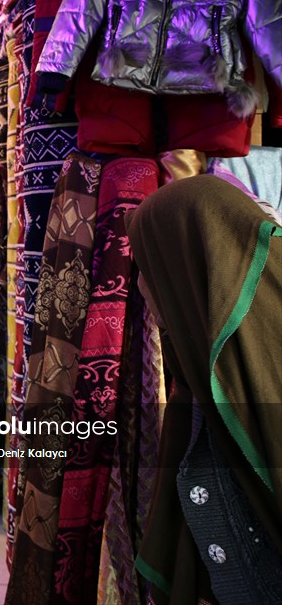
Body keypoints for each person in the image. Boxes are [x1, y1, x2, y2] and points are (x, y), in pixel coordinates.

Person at [128, 174, 282, 604]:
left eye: (151, 268)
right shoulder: (206, 377)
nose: (142, 288)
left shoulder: (262, 363)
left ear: (191, 265)